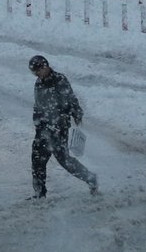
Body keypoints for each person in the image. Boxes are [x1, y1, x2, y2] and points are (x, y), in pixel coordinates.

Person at [28, 55, 98, 199]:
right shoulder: (39, 83)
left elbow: (71, 98)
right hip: (43, 128)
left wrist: (76, 113)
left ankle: (90, 178)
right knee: (37, 160)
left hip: (58, 128)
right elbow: (38, 105)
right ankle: (39, 193)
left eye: (37, 70)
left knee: (64, 160)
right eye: (33, 72)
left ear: (45, 66)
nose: (36, 74)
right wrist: (37, 122)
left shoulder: (59, 80)